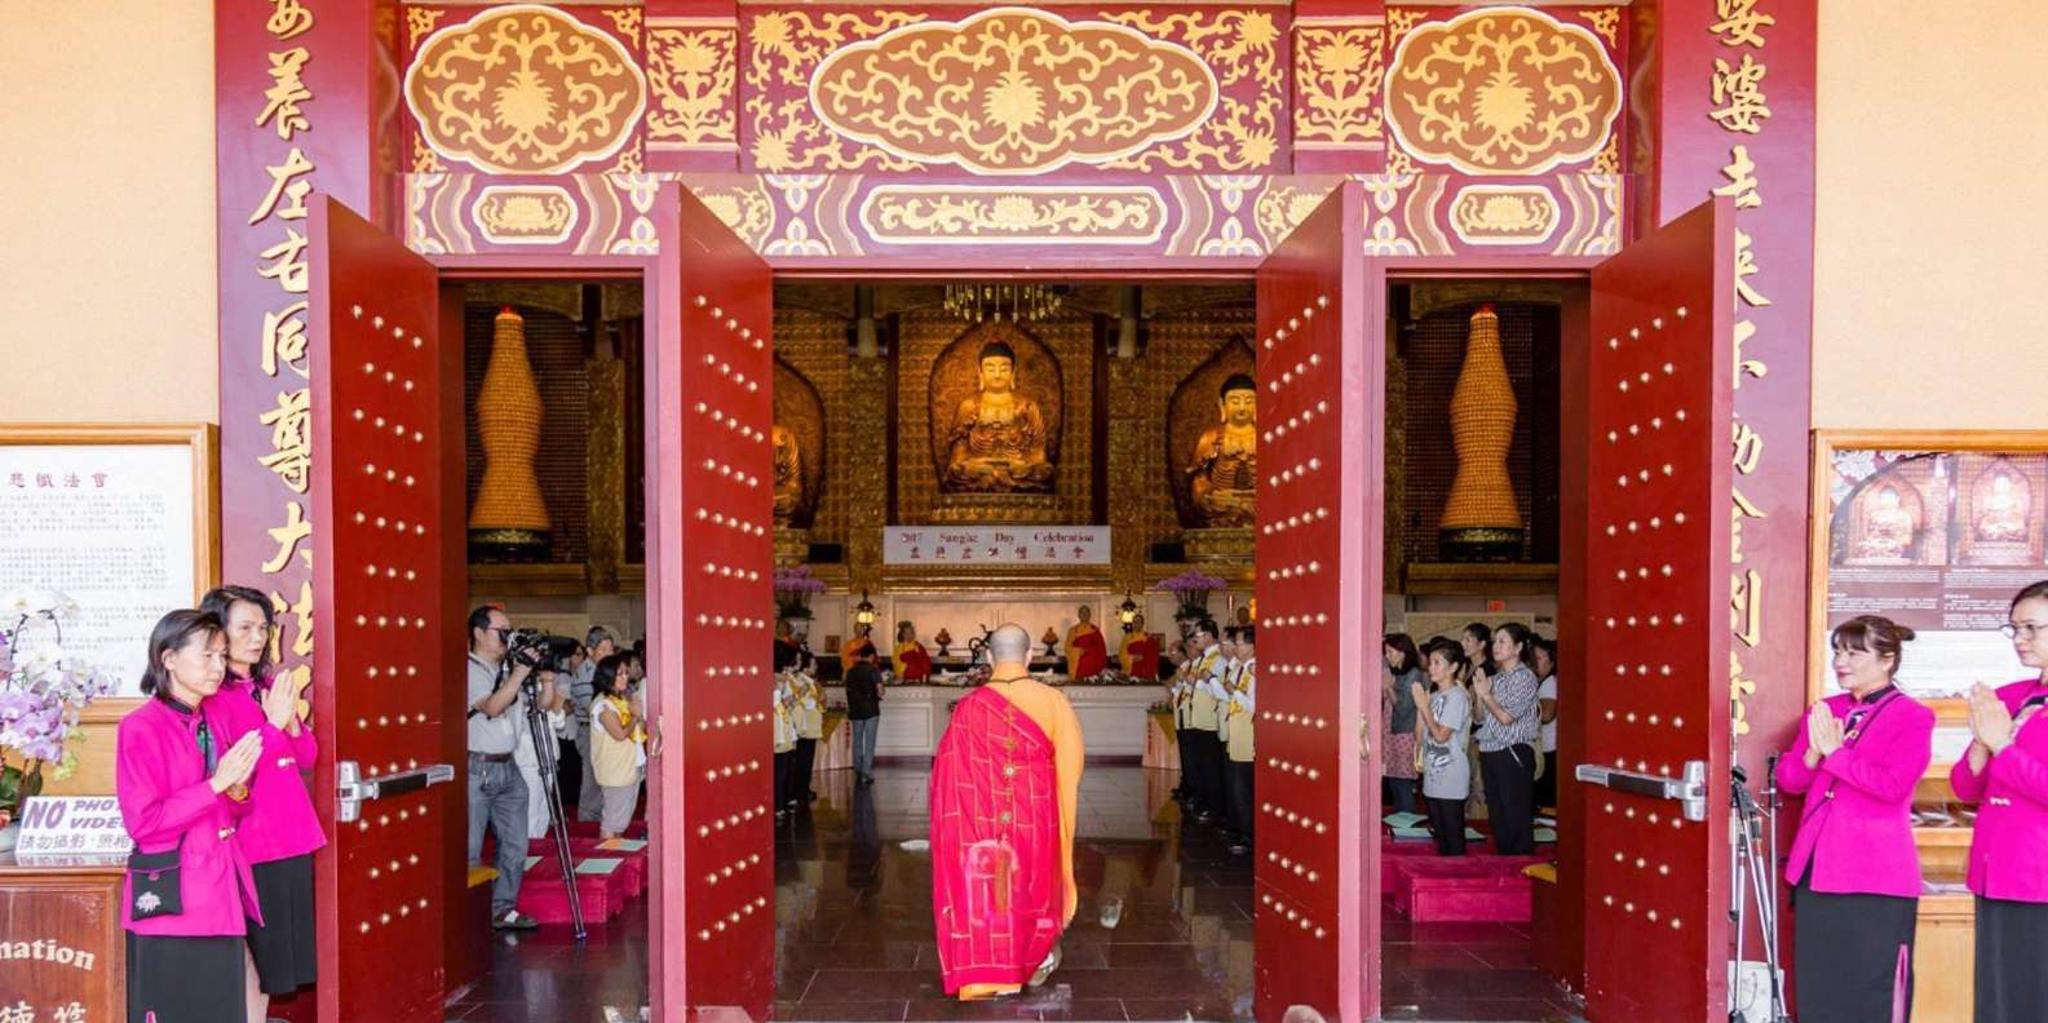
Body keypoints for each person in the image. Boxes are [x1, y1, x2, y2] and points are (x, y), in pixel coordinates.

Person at [1775, 615, 1934, 1023]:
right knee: (1817, 982)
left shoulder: (1913, 716)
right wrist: (1812, 753)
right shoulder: (1826, 710)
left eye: (1854, 652)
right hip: (1817, 866)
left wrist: (1837, 756)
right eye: (1838, 651)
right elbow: (1790, 781)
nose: (1841, 661)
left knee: (1868, 988)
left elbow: (1892, 786)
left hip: (1875, 874)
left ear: (1887, 659)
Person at [119, 609, 265, 1023]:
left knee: (222, 1007)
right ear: (168, 658)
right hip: (174, 894)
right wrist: (217, 784)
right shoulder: (141, 726)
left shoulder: (212, 717)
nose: (219, 667)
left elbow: (235, 803)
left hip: (220, 887)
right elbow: (144, 822)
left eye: (222, 656)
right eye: (207, 656)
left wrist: (236, 787)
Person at [930, 623, 1084, 998]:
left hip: (981, 821)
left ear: (988, 657)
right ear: (1030, 656)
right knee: (1032, 883)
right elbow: (1072, 764)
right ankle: (1033, 958)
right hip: (1036, 814)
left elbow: (947, 776)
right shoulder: (1053, 701)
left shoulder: (969, 707)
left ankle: (989, 973)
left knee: (994, 886)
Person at [198, 586, 324, 1015]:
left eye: (264, 628)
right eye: (245, 628)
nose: (257, 638)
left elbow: (307, 756)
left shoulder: (267, 684)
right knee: (247, 951)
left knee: (273, 960)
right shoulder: (212, 698)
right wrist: (273, 726)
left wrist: (288, 722)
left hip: (292, 835)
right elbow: (238, 772)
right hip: (251, 839)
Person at [1952, 582, 2048, 1022]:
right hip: (1997, 868)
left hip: (2039, 873)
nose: (2020, 640)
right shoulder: (2012, 696)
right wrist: (1980, 749)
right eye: (2014, 629)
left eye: (2031, 627)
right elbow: (1965, 788)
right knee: (1997, 997)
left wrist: (2003, 748)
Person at [466, 605, 540, 930]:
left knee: (515, 844)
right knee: (470, 846)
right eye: (502, 632)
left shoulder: (508, 669)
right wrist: (520, 674)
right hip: (478, 767)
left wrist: (540, 674)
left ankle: (502, 908)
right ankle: (467, 916)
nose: (508, 639)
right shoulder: (469, 670)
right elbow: (493, 707)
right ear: (479, 633)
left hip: (509, 767)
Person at [1473, 623, 1541, 855]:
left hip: (1513, 752)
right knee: (1498, 814)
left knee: (1515, 815)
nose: (1496, 646)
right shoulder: (1497, 678)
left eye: (1502, 641)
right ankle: (1504, 863)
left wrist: (1486, 694)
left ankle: (1520, 867)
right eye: (1495, 641)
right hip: (1490, 750)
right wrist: (1480, 696)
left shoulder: (1526, 677)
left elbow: (1505, 717)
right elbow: (1480, 718)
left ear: (1518, 647)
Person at [1414, 637, 1473, 856]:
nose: (1431, 668)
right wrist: (1422, 706)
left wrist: (1425, 708)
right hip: (1432, 774)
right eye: (1430, 662)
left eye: (1437, 662)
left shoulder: (1457, 697)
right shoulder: (1436, 695)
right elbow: (1420, 738)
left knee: (1453, 836)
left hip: (1452, 774)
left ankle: (1459, 883)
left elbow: (1440, 736)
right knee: (1440, 837)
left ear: (1454, 667)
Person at [588, 655, 645, 840]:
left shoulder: (621, 700)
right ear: (608, 676)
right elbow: (619, 734)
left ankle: (615, 852)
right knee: (612, 821)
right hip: (615, 771)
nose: (624, 677)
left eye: (626, 673)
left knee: (622, 818)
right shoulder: (603, 705)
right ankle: (608, 856)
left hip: (629, 766)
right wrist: (635, 716)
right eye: (619, 674)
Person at [513, 663, 568, 840]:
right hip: (528, 757)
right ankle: (529, 850)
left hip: (548, 754)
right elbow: (535, 712)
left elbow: (558, 722)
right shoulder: (516, 689)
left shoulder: (544, 685)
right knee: (531, 808)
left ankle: (539, 845)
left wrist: (557, 704)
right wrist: (553, 704)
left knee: (545, 808)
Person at [573, 626, 619, 823]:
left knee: (604, 776)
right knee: (592, 779)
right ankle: (587, 822)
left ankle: (600, 818)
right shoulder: (585, 674)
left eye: (610, 649)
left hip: (603, 730)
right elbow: (590, 707)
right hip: (590, 732)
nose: (609, 654)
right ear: (590, 651)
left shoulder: (602, 672)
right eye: (604, 649)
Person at [1187, 620, 1228, 823]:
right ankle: (1205, 800)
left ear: (1210, 636)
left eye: (1199, 635)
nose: (1196, 639)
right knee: (1203, 763)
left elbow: (1220, 689)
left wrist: (1203, 682)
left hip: (1211, 719)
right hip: (1200, 718)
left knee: (1212, 766)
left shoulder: (1217, 659)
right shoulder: (1205, 658)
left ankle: (1215, 805)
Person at [1223, 626, 1257, 856]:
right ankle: (1241, 830)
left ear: (1252, 645)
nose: (1236, 647)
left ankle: (1249, 836)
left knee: (1244, 789)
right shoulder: (1242, 669)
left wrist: (1234, 691)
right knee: (1237, 788)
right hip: (1237, 735)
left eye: (1240, 643)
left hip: (1247, 737)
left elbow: (1253, 705)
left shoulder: (1254, 670)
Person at [1382, 634, 1424, 816]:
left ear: (1403, 652)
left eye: (1390, 652)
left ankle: (1408, 826)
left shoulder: (1413, 674)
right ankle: (1400, 822)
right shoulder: (1397, 673)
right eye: (1386, 652)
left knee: (1403, 782)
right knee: (1394, 780)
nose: (1387, 656)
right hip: (1392, 732)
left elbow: (1404, 708)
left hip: (1405, 734)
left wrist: (1389, 688)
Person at [845, 643, 883, 784]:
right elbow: (880, 690)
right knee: (870, 741)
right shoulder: (874, 670)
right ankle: (866, 772)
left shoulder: (851, 671)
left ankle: (858, 769)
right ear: (872, 656)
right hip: (871, 709)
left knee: (857, 741)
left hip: (856, 709)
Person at [1531, 637, 1560, 810]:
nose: (1535, 663)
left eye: (1540, 658)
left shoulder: (1549, 683)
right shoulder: (1543, 682)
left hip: (1549, 749)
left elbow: (1547, 714)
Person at [791, 657, 824, 805]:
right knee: (802, 761)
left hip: (811, 727)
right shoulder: (801, 681)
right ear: (805, 668)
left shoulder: (809, 681)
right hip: (805, 727)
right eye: (813, 664)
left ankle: (804, 788)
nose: (816, 666)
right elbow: (807, 703)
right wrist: (818, 697)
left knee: (807, 760)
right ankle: (800, 790)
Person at [772, 664, 798, 822]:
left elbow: (788, 701)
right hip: (775, 727)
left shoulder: (786, 680)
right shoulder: (772, 679)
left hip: (784, 725)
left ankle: (781, 803)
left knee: (785, 768)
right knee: (779, 769)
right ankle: (777, 805)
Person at [1065, 605, 1106, 678]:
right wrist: (1077, 651)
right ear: (1078, 615)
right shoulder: (1073, 630)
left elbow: (1101, 650)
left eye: (1086, 612)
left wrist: (1089, 651)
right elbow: (1067, 648)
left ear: (1090, 615)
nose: (1084, 614)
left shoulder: (1094, 630)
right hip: (1077, 667)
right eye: (1082, 612)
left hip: (1092, 666)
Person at [1120, 614, 1160, 678]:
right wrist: (1131, 658)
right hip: (1130, 671)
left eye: (1138, 622)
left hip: (1144, 671)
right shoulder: (1126, 638)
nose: (1136, 624)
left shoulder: (1147, 637)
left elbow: (1153, 656)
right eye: (1134, 622)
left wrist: (1144, 658)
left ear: (1142, 624)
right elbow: (1122, 655)